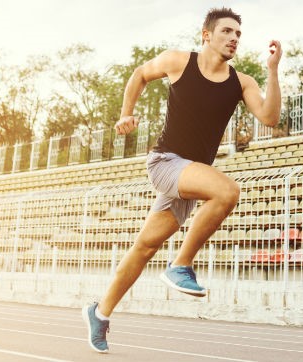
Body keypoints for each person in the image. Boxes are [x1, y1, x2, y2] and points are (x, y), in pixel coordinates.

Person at [83, 7, 282, 353]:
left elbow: (270, 116)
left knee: (144, 247)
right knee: (227, 191)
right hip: (166, 162)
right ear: (206, 34)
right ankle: (181, 265)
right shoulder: (178, 61)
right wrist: (126, 113)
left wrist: (272, 71)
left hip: (190, 174)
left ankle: (99, 312)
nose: (234, 38)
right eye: (226, 32)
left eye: (238, 34)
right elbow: (139, 75)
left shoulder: (241, 82)